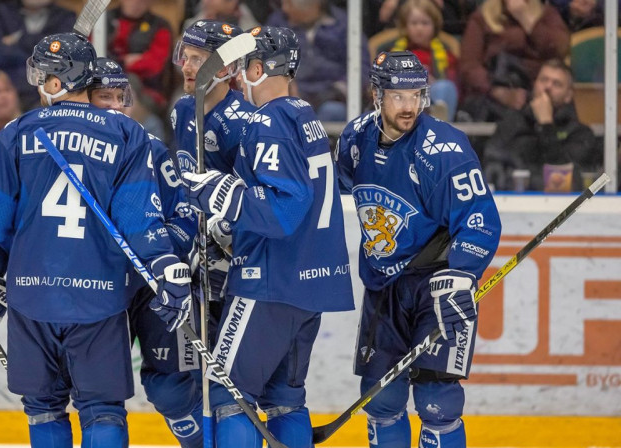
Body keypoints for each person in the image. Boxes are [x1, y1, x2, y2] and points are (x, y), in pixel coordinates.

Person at [0, 32, 192, 448]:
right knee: (102, 409)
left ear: (54, 83)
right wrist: (165, 266)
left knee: (43, 408)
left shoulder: (17, 131)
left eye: (40, 73)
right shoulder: (126, 135)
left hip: (31, 296)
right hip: (99, 297)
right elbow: (138, 219)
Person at [181, 25, 355, 447]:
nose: (239, 76)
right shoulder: (305, 115)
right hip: (313, 284)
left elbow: (284, 208)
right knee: (284, 399)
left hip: (271, 282)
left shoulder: (268, 122)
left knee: (228, 393)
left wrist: (220, 192)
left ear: (258, 68)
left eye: (243, 66)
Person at [336, 51, 501, 448]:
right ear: (376, 94)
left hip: (436, 286)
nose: (409, 106)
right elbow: (329, 196)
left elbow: (481, 219)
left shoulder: (445, 150)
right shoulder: (354, 139)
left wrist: (463, 272)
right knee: (381, 396)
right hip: (383, 287)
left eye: (416, 96)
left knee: (436, 402)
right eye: (397, 96)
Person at [87, 56, 203, 448]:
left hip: (153, 288)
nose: (115, 106)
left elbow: (185, 215)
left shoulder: (150, 147)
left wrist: (161, 253)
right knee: (99, 397)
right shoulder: (67, 154)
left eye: (121, 97)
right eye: (104, 97)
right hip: (97, 289)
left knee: (173, 391)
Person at [171, 20, 255, 305]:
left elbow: (253, 203)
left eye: (198, 59)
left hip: (229, 261)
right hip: (191, 251)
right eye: (185, 55)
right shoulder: (182, 109)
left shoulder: (241, 124)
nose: (187, 66)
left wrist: (227, 240)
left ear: (226, 69)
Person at [482, 58, 599, 191]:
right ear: (535, 85)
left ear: (568, 95)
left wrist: (546, 126)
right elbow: (491, 169)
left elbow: (565, 182)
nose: (548, 87)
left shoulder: (579, 134)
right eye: (543, 80)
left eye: (557, 84)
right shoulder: (512, 123)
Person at [458, 0, 569, 122]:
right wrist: (496, 91)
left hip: (538, 90)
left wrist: (526, 19)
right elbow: (469, 66)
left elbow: (559, 49)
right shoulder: (482, 17)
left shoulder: (547, 14)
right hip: (493, 91)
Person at [266, 0, 369, 121]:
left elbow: (362, 66)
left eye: (289, 4)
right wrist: (284, 83)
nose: (284, 9)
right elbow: (267, 59)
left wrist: (338, 90)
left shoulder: (343, 23)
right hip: (293, 92)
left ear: (314, 6)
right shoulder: (278, 22)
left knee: (333, 111)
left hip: (331, 95)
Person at [0, 0, 75, 110]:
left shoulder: (66, 18)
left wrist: (19, 39)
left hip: (49, 97)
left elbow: (65, 61)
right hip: (8, 94)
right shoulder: (1, 13)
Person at [389, 0, 459, 122]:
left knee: (445, 87)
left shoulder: (445, 54)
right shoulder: (394, 54)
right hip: (404, 99)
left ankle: (438, 123)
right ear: (405, 26)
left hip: (432, 95)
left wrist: (431, 81)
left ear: (435, 25)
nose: (419, 28)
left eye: (425, 23)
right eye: (414, 23)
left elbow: (454, 81)